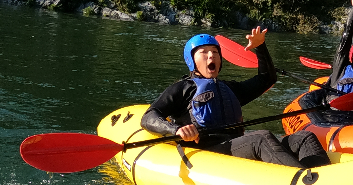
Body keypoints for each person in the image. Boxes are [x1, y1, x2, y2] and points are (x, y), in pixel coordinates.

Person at [141, 28, 329, 167]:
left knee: (305, 137)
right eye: (204, 52)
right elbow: (149, 116)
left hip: (236, 145)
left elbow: (267, 78)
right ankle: (307, 184)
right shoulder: (182, 88)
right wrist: (176, 129)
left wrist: (260, 48)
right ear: (192, 61)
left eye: (215, 52)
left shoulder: (229, 88)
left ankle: (324, 178)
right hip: (207, 151)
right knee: (261, 137)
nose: (211, 56)